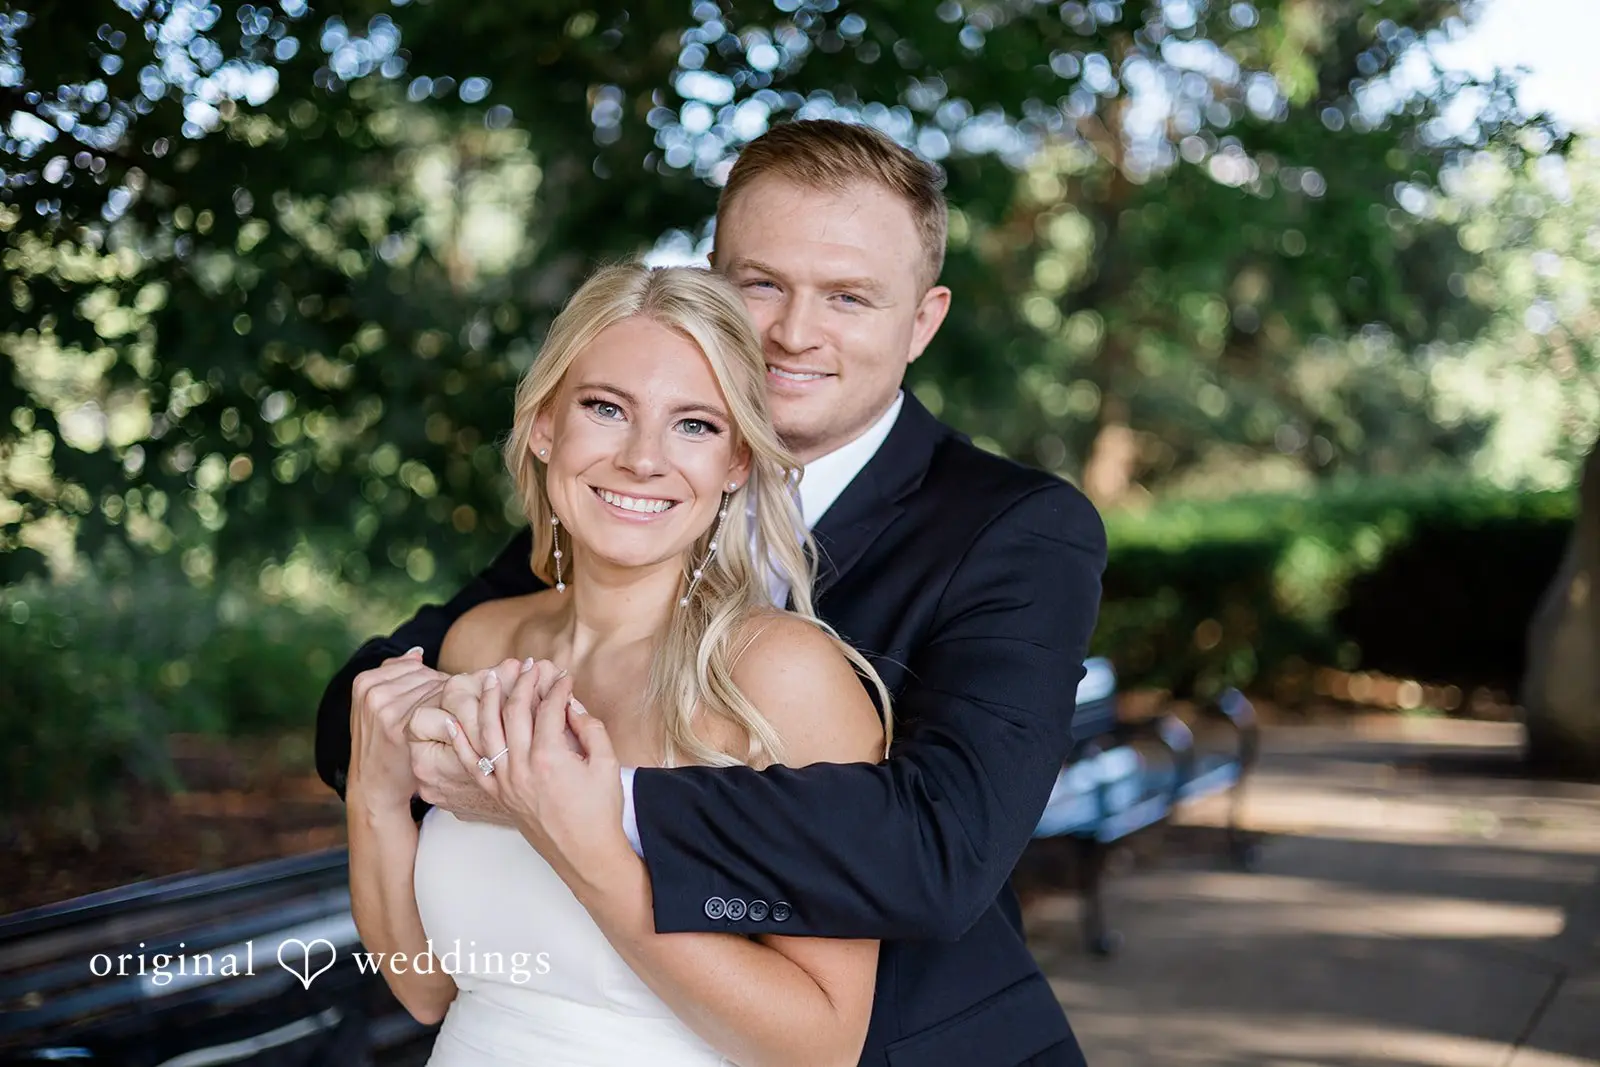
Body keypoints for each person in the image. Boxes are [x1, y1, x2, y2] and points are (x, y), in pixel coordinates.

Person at [319, 119, 1107, 1067]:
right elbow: (366, 700)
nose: (792, 332)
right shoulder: (610, 507)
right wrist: (402, 760)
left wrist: (577, 801)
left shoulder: (1014, 529)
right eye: (761, 283)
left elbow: (940, 855)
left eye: (849, 296)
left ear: (923, 320)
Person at [347, 261, 897, 1066]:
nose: (645, 458)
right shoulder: (480, 646)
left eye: (695, 425)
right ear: (544, 425)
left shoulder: (782, 676)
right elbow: (426, 988)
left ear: (736, 462)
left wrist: (588, 845)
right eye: (607, 408)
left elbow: (825, 1043)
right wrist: (374, 796)